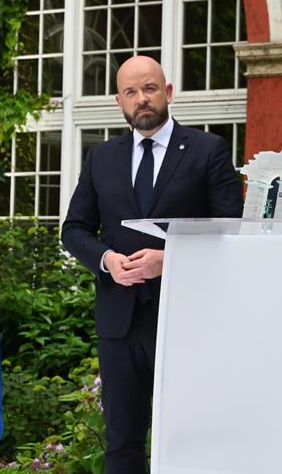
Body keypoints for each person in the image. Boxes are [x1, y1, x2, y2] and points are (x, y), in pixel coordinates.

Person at [61, 55, 243, 474]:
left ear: (169, 92)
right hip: (119, 323)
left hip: (186, 319)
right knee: (122, 443)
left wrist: (171, 260)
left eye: (149, 88)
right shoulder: (101, 158)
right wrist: (105, 260)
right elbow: (74, 229)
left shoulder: (207, 150)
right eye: (131, 91)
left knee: (186, 439)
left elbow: (232, 232)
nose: (141, 99)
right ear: (118, 100)